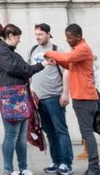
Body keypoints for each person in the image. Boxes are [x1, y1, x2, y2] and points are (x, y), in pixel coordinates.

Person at [45, 24, 100, 175]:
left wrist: (51, 53)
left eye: (70, 38)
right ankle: (93, 167)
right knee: (86, 133)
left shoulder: (82, 48)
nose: (67, 40)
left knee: (87, 133)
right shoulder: (77, 50)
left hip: (85, 98)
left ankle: (95, 168)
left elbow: (68, 58)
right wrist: (56, 60)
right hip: (81, 97)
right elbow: (69, 64)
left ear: (78, 36)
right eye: (66, 37)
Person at [0, 23, 44, 175]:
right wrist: (39, 66)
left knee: (21, 135)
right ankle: (8, 169)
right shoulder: (1, 50)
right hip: (10, 97)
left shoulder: (9, 51)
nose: (19, 40)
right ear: (10, 36)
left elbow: (23, 69)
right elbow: (15, 68)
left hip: (20, 96)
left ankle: (23, 167)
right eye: (18, 37)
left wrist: (36, 67)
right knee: (11, 134)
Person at [28, 23, 74, 175]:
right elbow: (29, 72)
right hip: (38, 99)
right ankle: (56, 161)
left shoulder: (56, 50)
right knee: (50, 132)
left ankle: (66, 163)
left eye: (40, 34)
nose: (37, 37)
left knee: (61, 131)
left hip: (54, 97)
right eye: (36, 35)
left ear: (48, 34)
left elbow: (66, 71)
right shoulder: (33, 50)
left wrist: (65, 93)